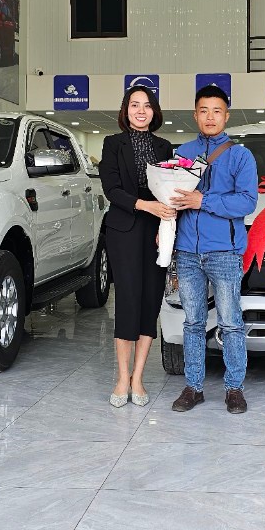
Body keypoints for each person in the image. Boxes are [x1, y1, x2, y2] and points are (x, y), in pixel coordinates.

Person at [169, 86, 259, 414]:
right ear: (195, 115)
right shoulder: (183, 153)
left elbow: (246, 202)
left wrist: (203, 200)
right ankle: (193, 387)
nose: (210, 117)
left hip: (225, 252)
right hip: (187, 252)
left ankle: (234, 389)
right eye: (204, 111)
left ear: (226, 116)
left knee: (231, 322)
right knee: (193, 322)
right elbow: (171, 195)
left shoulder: (240, 156)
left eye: (216, 111)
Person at [99, 86, 175, 407]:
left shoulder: (164, 147)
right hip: (125, 230)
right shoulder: (112, 143)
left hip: (157, 232)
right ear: (126, 110)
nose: (141, 111)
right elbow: (112, 189)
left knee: (150, 300)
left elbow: (170, 191)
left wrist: (164, 222)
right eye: (135, 105)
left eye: (146, 105)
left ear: (154, 111)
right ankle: (121, 378)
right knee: (128, 300)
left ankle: (138, 377)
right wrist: (146, 206)